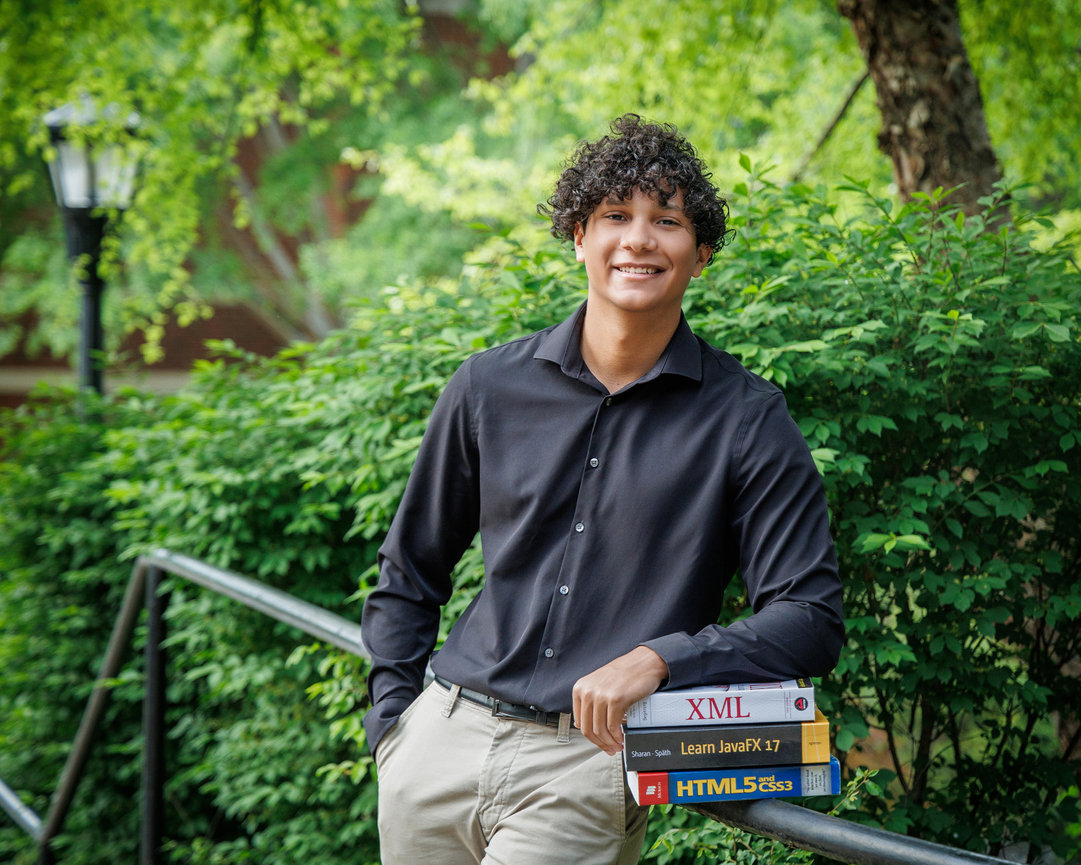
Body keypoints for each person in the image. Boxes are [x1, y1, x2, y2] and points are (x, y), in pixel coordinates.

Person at [361, 114, 845, 865]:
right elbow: (409, 570)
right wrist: (393, 727)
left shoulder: (747, 419)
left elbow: (810, 617)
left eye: (667, 220)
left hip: (585, 766)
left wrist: (661, 658)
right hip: (438, 745)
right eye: (615, 215)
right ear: (579, 236)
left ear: (701, 253)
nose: (639, 239)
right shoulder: (487, 386)